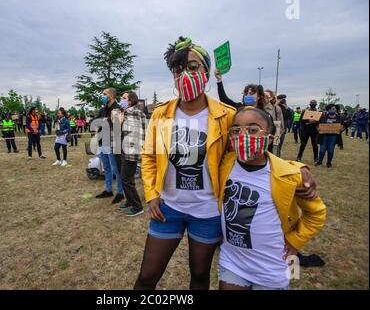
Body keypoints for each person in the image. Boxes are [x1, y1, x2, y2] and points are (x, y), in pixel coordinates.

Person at [135, 36, 319, 291]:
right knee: (146, 277)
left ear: (206, 72)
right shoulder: (161, 113)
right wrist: (152, 194)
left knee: (199, 276)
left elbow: (254, 151)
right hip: (169, 209)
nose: (185, 75)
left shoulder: (226, 114)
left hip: (208, 212)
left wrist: (298, 168)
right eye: (178, 70)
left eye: (193, 67)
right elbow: (149, 156)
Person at [217, 107, 326, 290]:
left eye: (252, 130)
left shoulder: (289, 175)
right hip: (232, 260)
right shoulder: (225, 164)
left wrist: (295, 241)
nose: (243, 136)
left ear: (270, 138)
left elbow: (316, 214)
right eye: (236, 130)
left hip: (271, 266)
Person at [118, 91, 147, 217]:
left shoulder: (132, 112)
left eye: (124, 98)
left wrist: (119, 121)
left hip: (131, 150)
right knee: (128, 178)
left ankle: (137, 206)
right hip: (128, 149)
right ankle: (130, 201)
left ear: (130, 100)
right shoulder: (129, 112)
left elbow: (131, 131)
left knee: (125, 179)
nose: (121, 100)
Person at [94, 88, 124, 204]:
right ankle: (108, 190)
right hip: (102, 142)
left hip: (113, 144)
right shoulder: (103, 109)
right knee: (106, 168)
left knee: (115, 169)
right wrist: (104, 120)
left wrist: (105, 122)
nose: (102, 96)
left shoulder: (117, 109)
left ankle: (120, 193)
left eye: (104, 94)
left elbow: (116, 125)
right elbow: (95, 121)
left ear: (111, 96)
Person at [263, 90, 285, 155]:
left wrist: (275, 138)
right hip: (260, 138)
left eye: (267, 96)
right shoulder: (257, 107)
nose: (264, 98)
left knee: (272, 156)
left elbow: (281, 127)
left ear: (271, 98)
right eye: (263, 96)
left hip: (273, 138)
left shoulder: (276, 109)